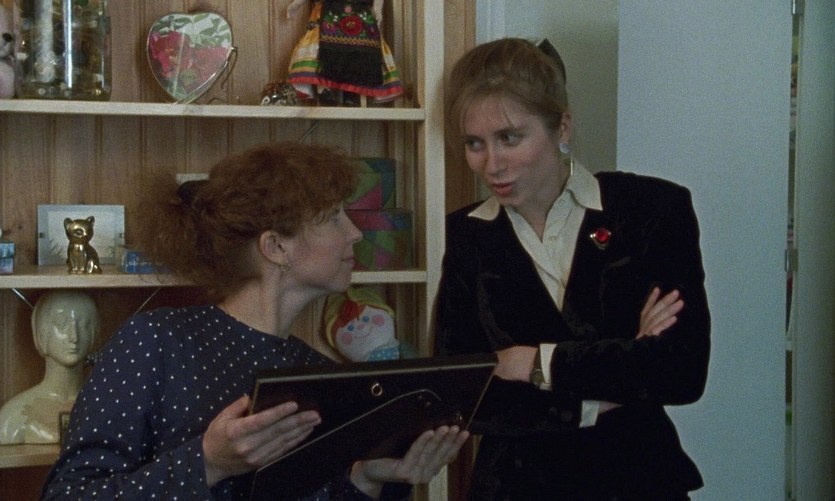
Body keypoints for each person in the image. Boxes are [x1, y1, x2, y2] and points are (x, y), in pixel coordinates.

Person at [41, 142, 469, 500]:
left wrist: (368, 479)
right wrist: (208, 463)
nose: (355, 233)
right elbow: (67, 494)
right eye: (333, 217)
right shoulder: (155, 341)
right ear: (276, 247)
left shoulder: (319, 373)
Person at [434, 37, 710, 500]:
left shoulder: (651, 210)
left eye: (509, 138)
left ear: (561, 127)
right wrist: (609, 385)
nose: (491, 165)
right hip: (516, 490)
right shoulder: (463, 237)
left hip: (640, 483)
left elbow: (680, 370)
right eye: (474, 144)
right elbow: (464, 396)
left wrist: (535, 362)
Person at [0, 290, 99, 444]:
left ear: (94, 334)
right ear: (41, 333)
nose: (74, 337)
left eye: (84, 325)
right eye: (61, 324)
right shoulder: (12, 418)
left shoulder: (106, 408)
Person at [285, 0, 404, 105]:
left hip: (359, 12)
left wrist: (377, 8)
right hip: (329, 11)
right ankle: (324, 90)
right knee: (322, 50)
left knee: (359, 50)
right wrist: (296, 4)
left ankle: (352, 92)